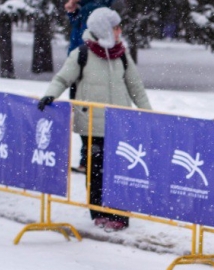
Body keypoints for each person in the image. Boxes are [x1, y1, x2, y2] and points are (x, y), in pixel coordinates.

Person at [39, 8, 151, 232]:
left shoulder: (122, 54)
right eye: (115, 27)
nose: (120, 31)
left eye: (119, 27)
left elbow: (135, 87)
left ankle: (119, 214)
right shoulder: (82, 53)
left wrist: (148, 113)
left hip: (119, 126)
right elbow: (63, 77)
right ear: (104, 29)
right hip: (91, 124)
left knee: (119, 172)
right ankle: (98, 211)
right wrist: (50, 94)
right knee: (96, 170)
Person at [65, 0, 117, 173]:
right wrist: (73, 13)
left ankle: (91, 161)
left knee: (87, 113)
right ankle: (91, 159)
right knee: (86, 113)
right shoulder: (87, 7)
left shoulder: (92, 7)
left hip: (83, 66)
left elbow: (86, 35)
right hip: (81, 64)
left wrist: (78, 59)